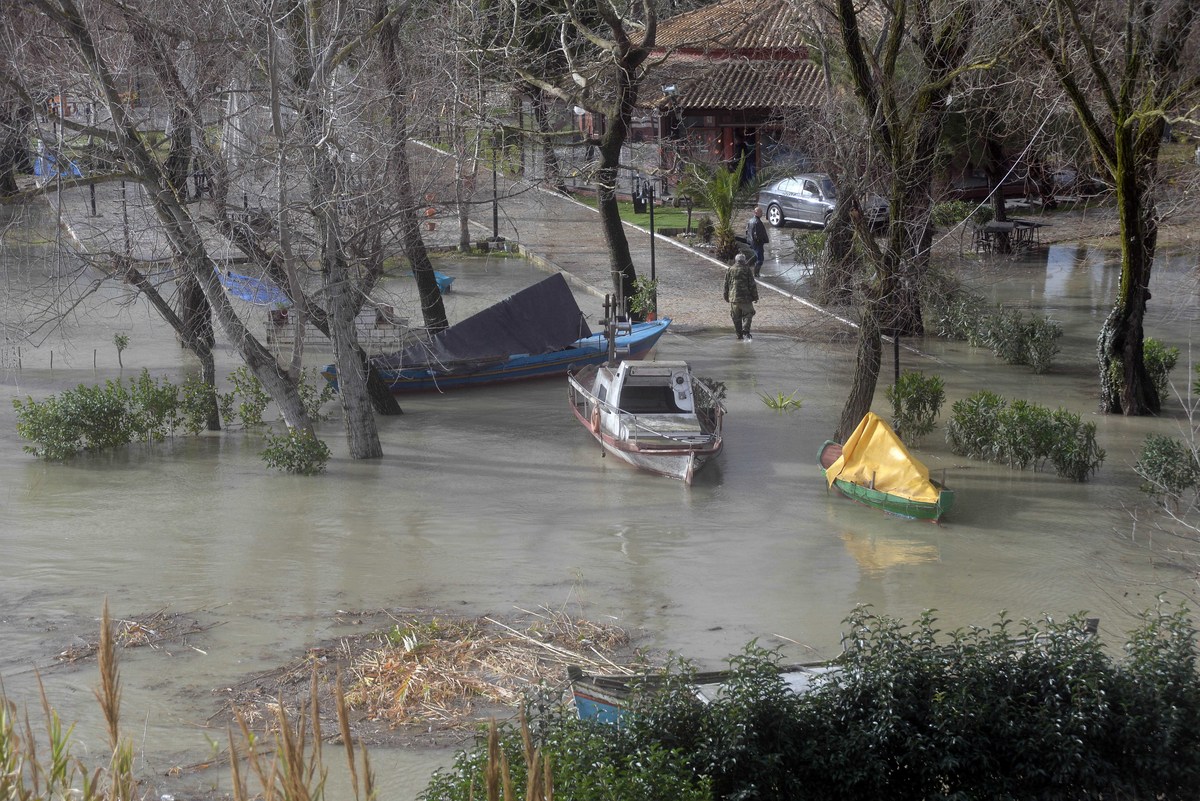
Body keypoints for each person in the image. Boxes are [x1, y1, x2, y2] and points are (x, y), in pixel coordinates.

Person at [723, 253, 759, 341]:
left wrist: (726, 296)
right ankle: (745, 330)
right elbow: (752, 285)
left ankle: (739, 335)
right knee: (749, 314)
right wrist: (755, 297)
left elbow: (726, 284)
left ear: (736, 261)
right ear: (744, 260)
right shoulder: (747, 270)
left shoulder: (730, 269)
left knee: (736, 317)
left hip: (733, 298)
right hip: (745, 298)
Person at [746, 206, 769, 276]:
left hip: (752, 242)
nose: (762, 213)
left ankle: (746, 268)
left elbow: (747, 231)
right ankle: (756, 274)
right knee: (760, 259)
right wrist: (761, 240)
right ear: (756, 213)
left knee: (755, 256)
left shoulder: (750, 220)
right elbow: (757, 234)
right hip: (757, 243)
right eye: (760, 212)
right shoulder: (757, 222)